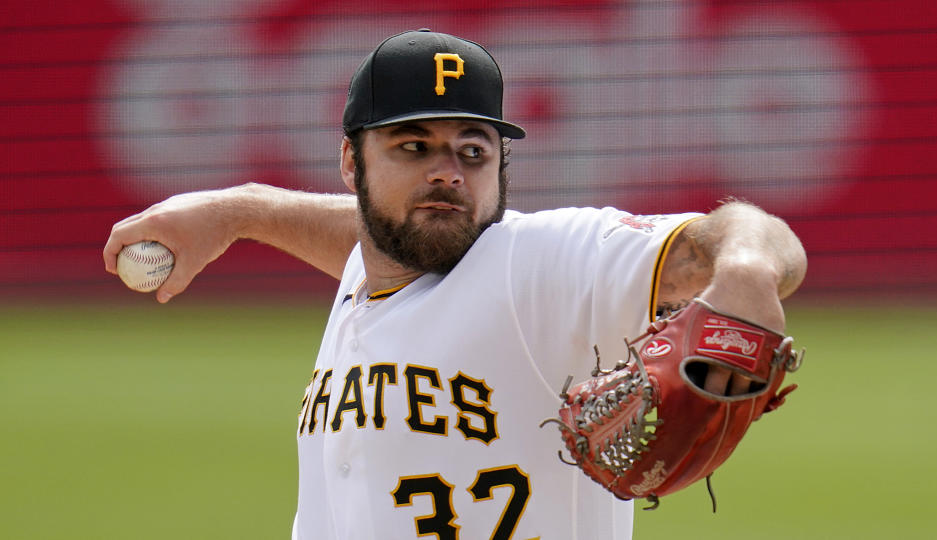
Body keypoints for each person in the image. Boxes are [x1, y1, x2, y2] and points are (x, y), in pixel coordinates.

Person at [104, 30, 806, 540]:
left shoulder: (537, 264)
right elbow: (370, 237)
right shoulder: (375, 267)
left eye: (473, 150)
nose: (447, 171)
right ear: (351, 163)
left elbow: (745, 239)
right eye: (413, 146)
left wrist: (744, 269)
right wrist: (239, 211)